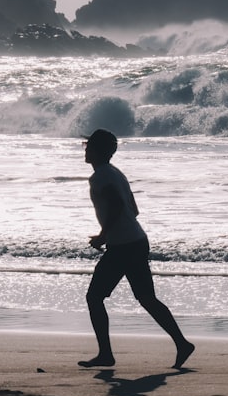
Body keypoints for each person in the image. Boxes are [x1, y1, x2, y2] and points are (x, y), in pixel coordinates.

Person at [78, 129, 195, 369]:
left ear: (98, 151)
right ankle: (182, 343)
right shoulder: (116, 173)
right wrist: (111, 233)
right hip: (136, 241)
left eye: (88, 146)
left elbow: (119, 206)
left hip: (122, 246)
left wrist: (103, 235)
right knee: (146, 298)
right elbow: (134, 209)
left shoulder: (100, 176)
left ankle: (106, 355)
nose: (85, 150)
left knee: (94, 297)